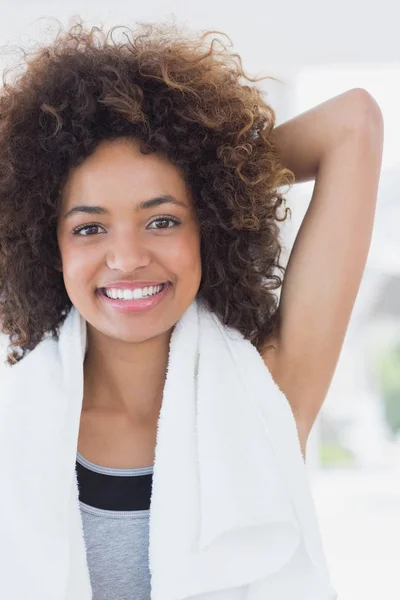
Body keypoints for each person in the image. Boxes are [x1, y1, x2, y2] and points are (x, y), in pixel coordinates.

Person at [0, 19, 383, 600]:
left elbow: (353, 123)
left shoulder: (268, 391)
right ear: (47, 246)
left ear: (208, 227)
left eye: (163, 219)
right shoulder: (15, 427)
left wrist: (221, 173)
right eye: (90, 227)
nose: (127, 258)